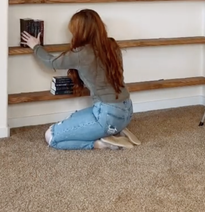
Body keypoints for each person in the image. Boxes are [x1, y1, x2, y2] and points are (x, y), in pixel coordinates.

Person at [21, 9, 141, 151]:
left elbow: (51, 62)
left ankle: (101, 144)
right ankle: (117, 130)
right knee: (74, 117)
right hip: (127, 110)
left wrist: (35, 46)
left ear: (80, 31)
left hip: (108, 115)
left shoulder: (81, 53)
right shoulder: (112, 45)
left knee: (51, 136)